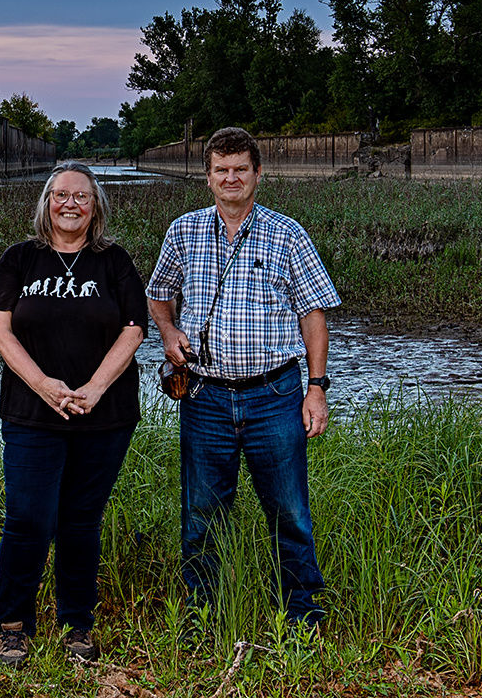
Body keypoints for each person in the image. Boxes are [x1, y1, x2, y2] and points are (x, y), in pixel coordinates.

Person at [145, 127, 340, 631]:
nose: (231, 178)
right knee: (202, 517)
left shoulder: (288, 233)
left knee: (290, 513)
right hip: (206, 396)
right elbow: (158, 295)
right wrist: (168, 332)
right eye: (220, 170)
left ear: (258, 174)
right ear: (207, 177)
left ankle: (303, 617)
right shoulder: (183, 231)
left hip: (275, 394)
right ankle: (201, 617)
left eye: (240, 169)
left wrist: (316, 387)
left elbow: (312, 313)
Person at [0, 161, 147, 667]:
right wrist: (45, 386)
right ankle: (13, 624)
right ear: (46, 203)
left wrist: (95, 388)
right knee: (29, 518)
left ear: (95, 204)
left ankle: (77, 623)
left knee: (81, 520)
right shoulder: (19, 259)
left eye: (81, 196)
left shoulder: (115, 261)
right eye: (60, 195)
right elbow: (0, 330)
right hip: (32, 414)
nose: (70, 204)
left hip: (104, 414)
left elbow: (134, 329)